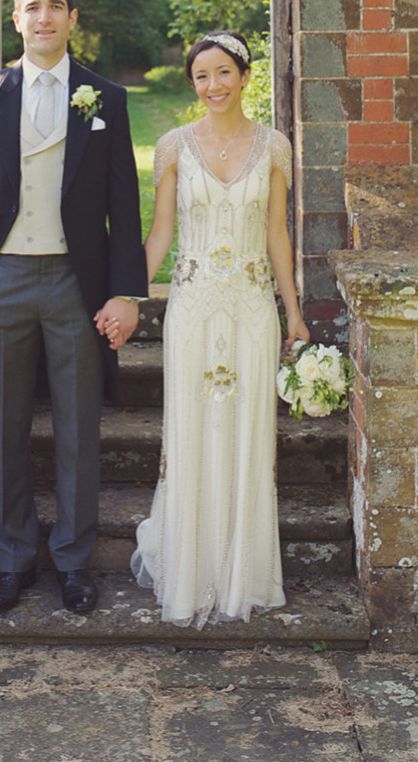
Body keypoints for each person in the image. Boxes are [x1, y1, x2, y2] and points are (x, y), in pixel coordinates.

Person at [0, 0, 147, 616]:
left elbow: (124, 205)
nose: (44, 18)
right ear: (16, 19)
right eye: (32, 8)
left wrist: (125, 292)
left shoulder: (105, 100)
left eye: (55, 7)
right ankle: (11, 560)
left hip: (73, 282)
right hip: (1, 280)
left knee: (78, 428)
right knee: (3, 429)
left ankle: (73, 561)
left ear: (72, 18)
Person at [131, 31, 309, 627]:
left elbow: (277, 235)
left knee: (248, 434)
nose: (213, 85)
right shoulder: (174, 147)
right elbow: (160, 233)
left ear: (244, 76)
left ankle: (243, 574)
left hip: (253, 310)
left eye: (223, 72)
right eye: (202, 76)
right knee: (191, 434)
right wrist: (126, 291)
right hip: (193, 310)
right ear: (193, 83)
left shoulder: (275, 147)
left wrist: (294, 312)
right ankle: (193, 575)